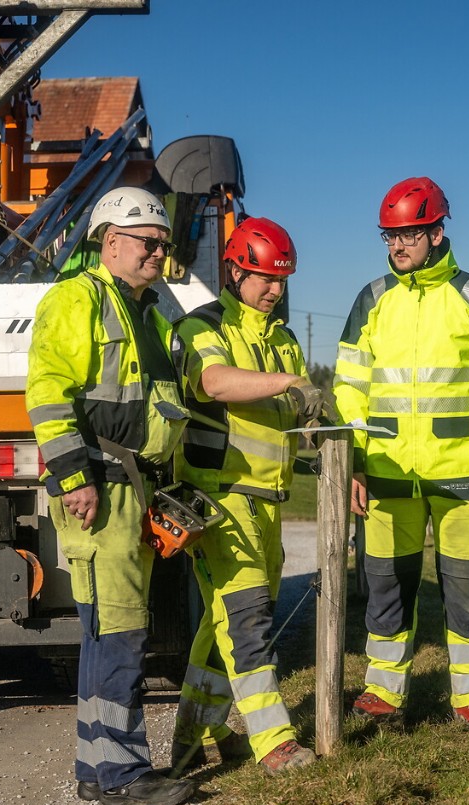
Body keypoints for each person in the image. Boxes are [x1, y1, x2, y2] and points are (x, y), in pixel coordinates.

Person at [27, 186, 195, 805]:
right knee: (120, 631)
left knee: (107, 631)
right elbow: (48, 392)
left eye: (163, 244)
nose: (159, 253)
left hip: (130, 486)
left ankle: (97, 768)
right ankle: (124, 775)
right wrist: (75, 480)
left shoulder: (144, 307)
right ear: (110, 241)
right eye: (149, 243)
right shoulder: (78, 299)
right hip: (101, 487)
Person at [334, 177, 469, 734]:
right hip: (388, 474)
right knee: (386, 586)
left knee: (468, 591)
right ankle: (383, 693)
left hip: (466, 474)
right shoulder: (371, 298)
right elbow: (349, 388)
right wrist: (355, 462)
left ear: (438, 233)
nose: (397, 245)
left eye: (409, 234)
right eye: (389, 236)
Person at [169, 216, 325, 776]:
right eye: (265, 279)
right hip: (219, 500)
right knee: (248, 620)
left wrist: (316, 420)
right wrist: (289, 385)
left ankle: (196, 733)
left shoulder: (282, 339)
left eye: (283, 280)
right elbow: (215, 383)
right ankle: (274, 741)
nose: (276, 291)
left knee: (223, 625)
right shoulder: (200, 327)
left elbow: (291, 416)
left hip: (269, 501)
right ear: (235, 271)